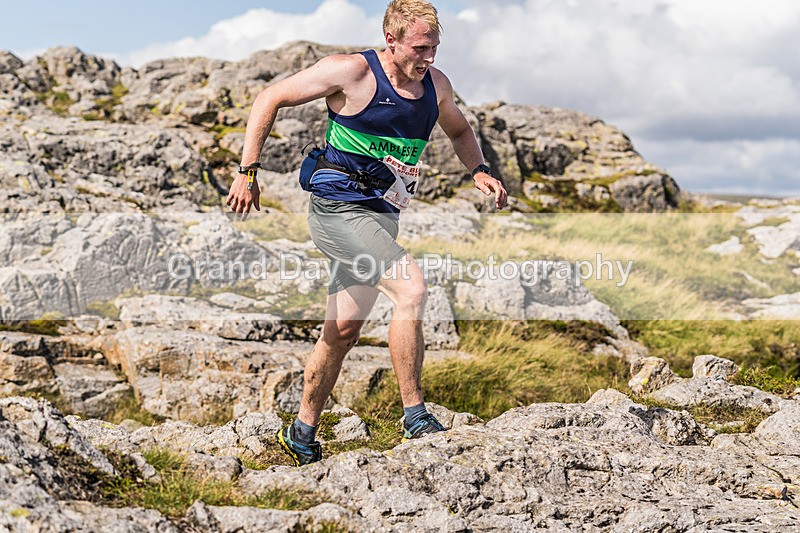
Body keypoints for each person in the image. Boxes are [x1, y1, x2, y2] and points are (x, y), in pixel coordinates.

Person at [227, 0, 507, 466]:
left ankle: (301, 431)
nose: (430, 58)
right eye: (421, 48)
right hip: (337, 209)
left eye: (435, 47)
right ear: (391, 39)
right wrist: (247, 171)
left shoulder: (436, 86)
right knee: (411, 288)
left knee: (341, 331)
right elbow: (268, 98)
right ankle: (415, 415)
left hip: (380, 217)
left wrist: (478, 169)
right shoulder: (351, 72)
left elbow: (459, 131)